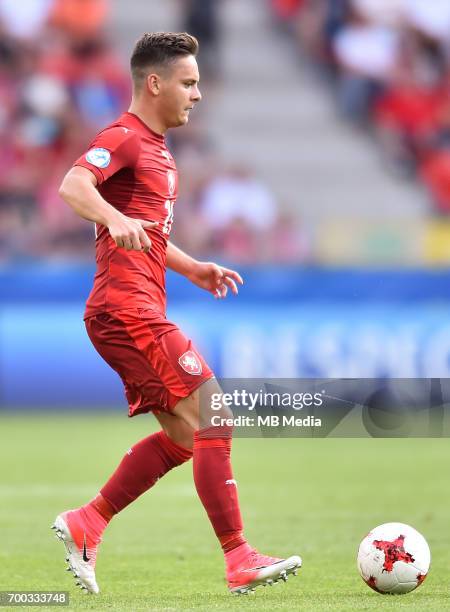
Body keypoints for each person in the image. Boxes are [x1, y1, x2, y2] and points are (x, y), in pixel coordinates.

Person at [53, 31, 301, 596]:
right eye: (189, 83)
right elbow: (74, 184)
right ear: (155, 82)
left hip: (131, 308)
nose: (197, 94)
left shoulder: (159, 152)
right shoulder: (124, 136)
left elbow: (147, 227)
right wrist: (111, 219)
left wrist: (190, 267)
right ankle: (239, 557)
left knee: (188, 439)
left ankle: (87, 521)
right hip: (125, 309)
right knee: (216, 414)